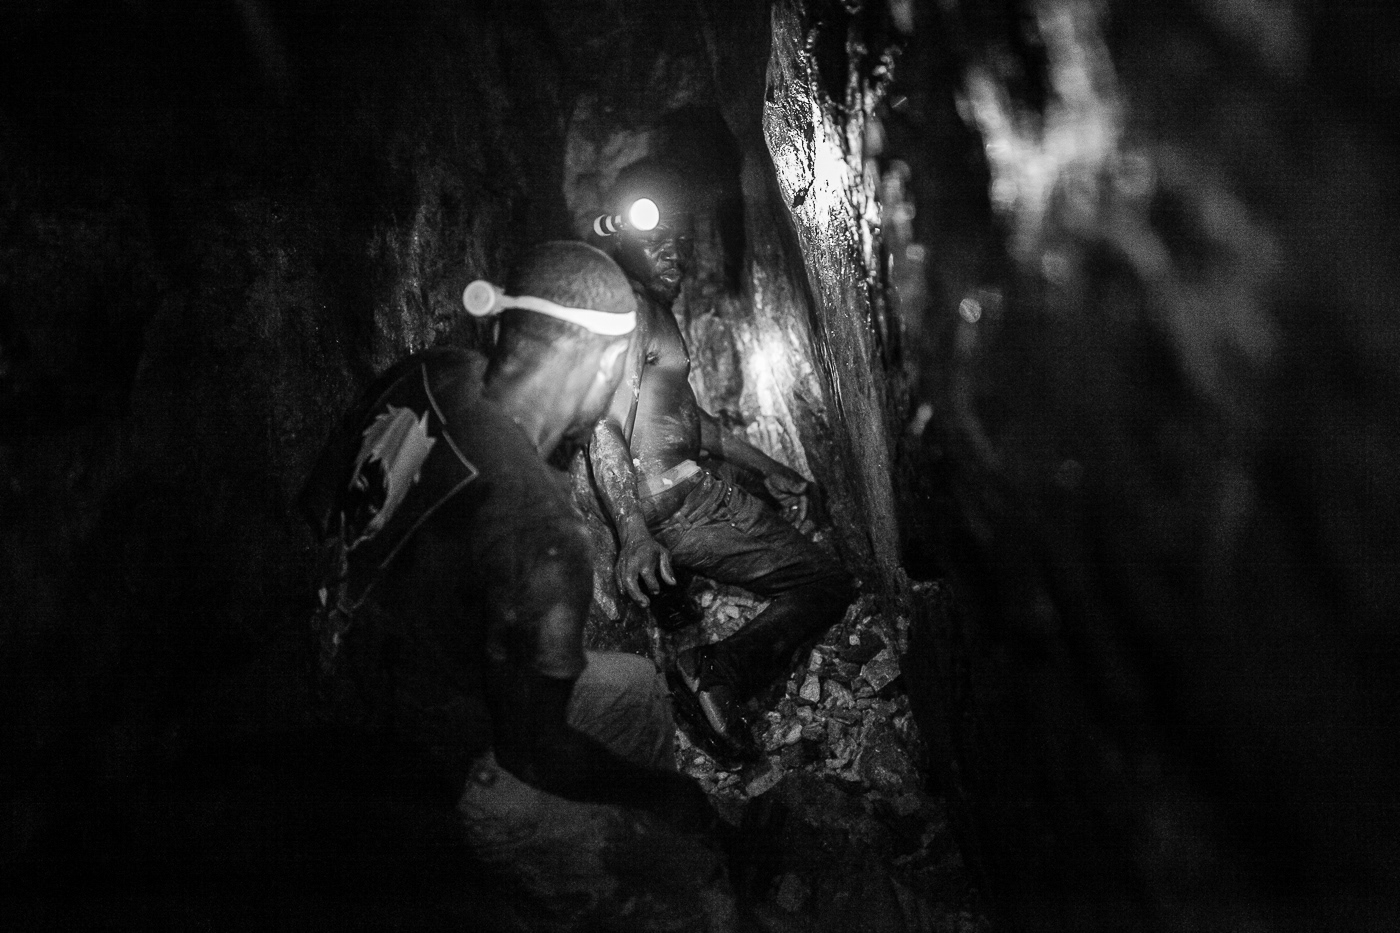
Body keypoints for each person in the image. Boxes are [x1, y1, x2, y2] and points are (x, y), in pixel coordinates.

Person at [298, 241, 733, 932]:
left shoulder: (427, 372)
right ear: (599, 364)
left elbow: (320, 505)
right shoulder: (542, 531)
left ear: (505, 329)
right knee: (689, 903)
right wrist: (667, 796)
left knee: (636, 689)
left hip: (326, 694)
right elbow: (534, 750)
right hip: (433, 783)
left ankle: (608, 838)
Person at [588, 161, 855, 761]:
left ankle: (696, 649)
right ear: (624, 243)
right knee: (826, 582)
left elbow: (691, 422)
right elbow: (603, 425)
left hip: (690, 492)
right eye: (654, 241)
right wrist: (633, 533)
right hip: (683, 505)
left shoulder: (654, 313)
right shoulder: (631, 312)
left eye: (678, 241)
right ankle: (716, 672)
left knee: (774, 518)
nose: (672, 252)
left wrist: (768, 466)